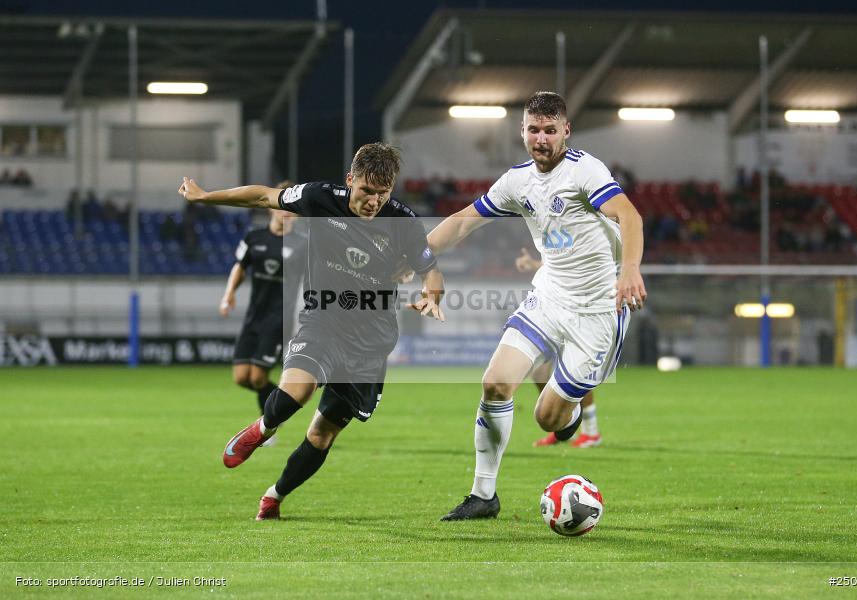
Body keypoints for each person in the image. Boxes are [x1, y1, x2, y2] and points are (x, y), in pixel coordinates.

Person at [179, 143, 445, 520]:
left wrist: (432, 294)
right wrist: (206, 197)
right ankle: (263, 427)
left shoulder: (402, 221)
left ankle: (274, 495)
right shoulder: (320, 198)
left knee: (321, 435)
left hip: (370, 342)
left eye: (382, 193)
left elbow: (430, 269)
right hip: (323, 321)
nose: (373, 201)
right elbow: (262, 197)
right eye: (366, 190)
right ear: (350, 180)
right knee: (295, 392)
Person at [426, 91, 646, 520]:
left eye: (549, 130)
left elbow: (630, 216)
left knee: (549, 419)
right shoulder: (517, 180)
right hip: (547, 296)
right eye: (533, 130)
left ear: (566, 131)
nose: (540, 139)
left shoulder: (585, 171)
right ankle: (483, 495)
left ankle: (567, 418)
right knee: (495, 383)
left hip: (597, 311)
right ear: (521, 131)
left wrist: (629, 269)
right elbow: (464, 221)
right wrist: (414, 258)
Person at [219, 185, 297, 443]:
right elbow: (240, 267)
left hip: (279, 321)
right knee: (242, 377)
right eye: (283, 209)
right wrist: (229, 293)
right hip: (254, 317)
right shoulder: (254, 238)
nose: (287, 214)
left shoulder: (303, 244)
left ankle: (268, 426)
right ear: (272, 208)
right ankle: (287, 400)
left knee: (258, 376)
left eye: (292, 211)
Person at [514, 247, 601, 449]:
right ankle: (561, 425)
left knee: (574, 370)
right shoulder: (551, 232)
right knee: (539, 371)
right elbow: (556, 268)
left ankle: (591, 431)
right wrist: (534, 264)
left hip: (576, 305)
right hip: (551, 304)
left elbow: (576, 268)